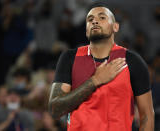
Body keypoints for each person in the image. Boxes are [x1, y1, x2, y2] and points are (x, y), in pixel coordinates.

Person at [48, 3, 154, 131]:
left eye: (102, 17)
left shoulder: (132, 61)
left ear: (115, 27)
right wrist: (95, 80)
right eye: (90, 19)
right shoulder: (69, 58)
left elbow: (147, 115)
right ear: (86, 30)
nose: (95, 21)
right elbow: (55, 109)